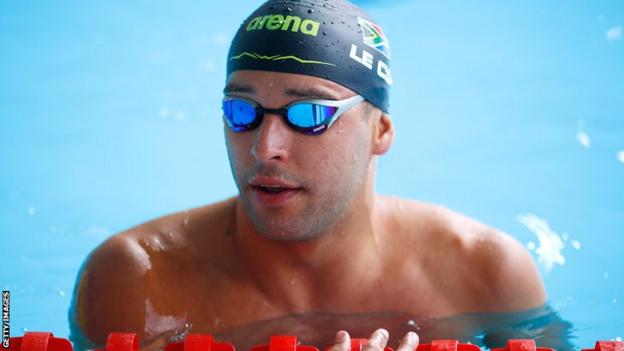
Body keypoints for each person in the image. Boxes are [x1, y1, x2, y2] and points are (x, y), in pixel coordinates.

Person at [68, 1, 547, 350]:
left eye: (309, 113)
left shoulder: (488, 276)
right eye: (242, 110)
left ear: (380, 130)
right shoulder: (138, 283)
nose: (265, 147)